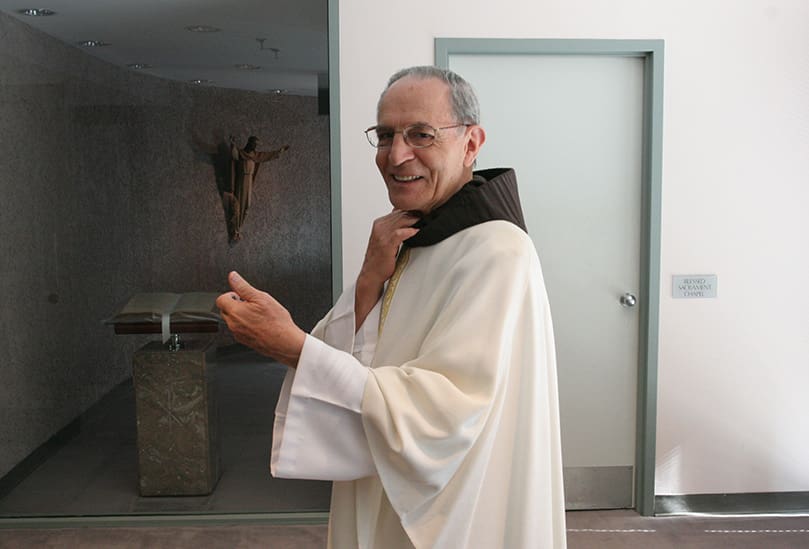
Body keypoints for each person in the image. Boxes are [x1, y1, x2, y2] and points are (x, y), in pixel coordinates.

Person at [216, 66, 567, 548]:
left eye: (421, 134)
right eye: (385, 136)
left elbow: (446, 413)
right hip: (383, 482)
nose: (397, 155)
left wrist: (296, 348)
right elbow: (366, 357)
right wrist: (367, 283)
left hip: (451, 507)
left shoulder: (497, 252)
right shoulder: (412, 234)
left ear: (471, 143)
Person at [228, 135, 290, 242]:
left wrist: (280, 150)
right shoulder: (242, 153)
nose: (255, 147)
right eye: (254, 144)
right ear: (250, 143)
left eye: (256, 145)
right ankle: (235, 230)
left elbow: (268, 155)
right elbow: (235, 155)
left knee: (247, 205)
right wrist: (233, 145)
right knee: (238, 204)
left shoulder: (256, 155)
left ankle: (239, 228)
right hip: (241, 181)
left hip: (249, 182)